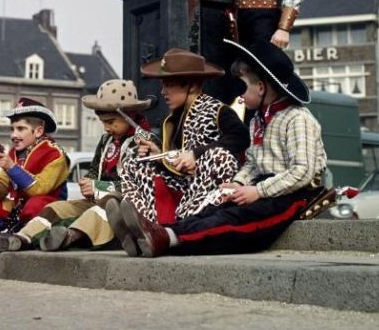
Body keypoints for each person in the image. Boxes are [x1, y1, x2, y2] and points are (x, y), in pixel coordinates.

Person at [107, 40, 331, 257]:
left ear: (261, 88)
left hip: (291, 196)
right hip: (259, 187)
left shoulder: (297, 119)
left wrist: (258, 191)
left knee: (233, 221)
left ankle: (167, 237)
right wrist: (239, 182)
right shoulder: (259, 121)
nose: (240, 96)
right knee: (212, 211)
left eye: (244, 87)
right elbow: (253, 163)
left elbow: (302, 171)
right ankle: (154, 232)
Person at [0, 79, 158, 253]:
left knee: (104, 206)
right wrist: (89, 181)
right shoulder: (106, 141)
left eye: (110, 122)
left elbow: (138, 185)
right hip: (95, 200)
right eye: (103, 122)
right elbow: (96, 169)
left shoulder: (144, 142)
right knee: (56, 208)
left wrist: (97, 187)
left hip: (126, 206)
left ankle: (68, 237)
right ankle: (20, 238)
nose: (106, 128)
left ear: (129, 115)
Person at [114, 48, 250, 247]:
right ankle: (146, 226)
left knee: (219, 156)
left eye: (168, 85)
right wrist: (158, 155)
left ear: (192, 85)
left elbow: (241, 138)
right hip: (183, 183)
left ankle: (171, 231)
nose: (162, 92)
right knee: (135, 162)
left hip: (210, 188)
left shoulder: (218, 110)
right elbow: (176, 161)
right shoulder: (173, 119)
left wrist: (197, 154)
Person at [0, 97, 69, 252]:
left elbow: (40, 189)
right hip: (18, 211)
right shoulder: (13, 153)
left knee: (34, 204)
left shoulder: (55, 153)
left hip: (46, 210)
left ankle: (25, 239)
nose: (13, 135)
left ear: (38, 131)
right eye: (12, 129)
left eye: (20, 129)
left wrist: (11, 167)